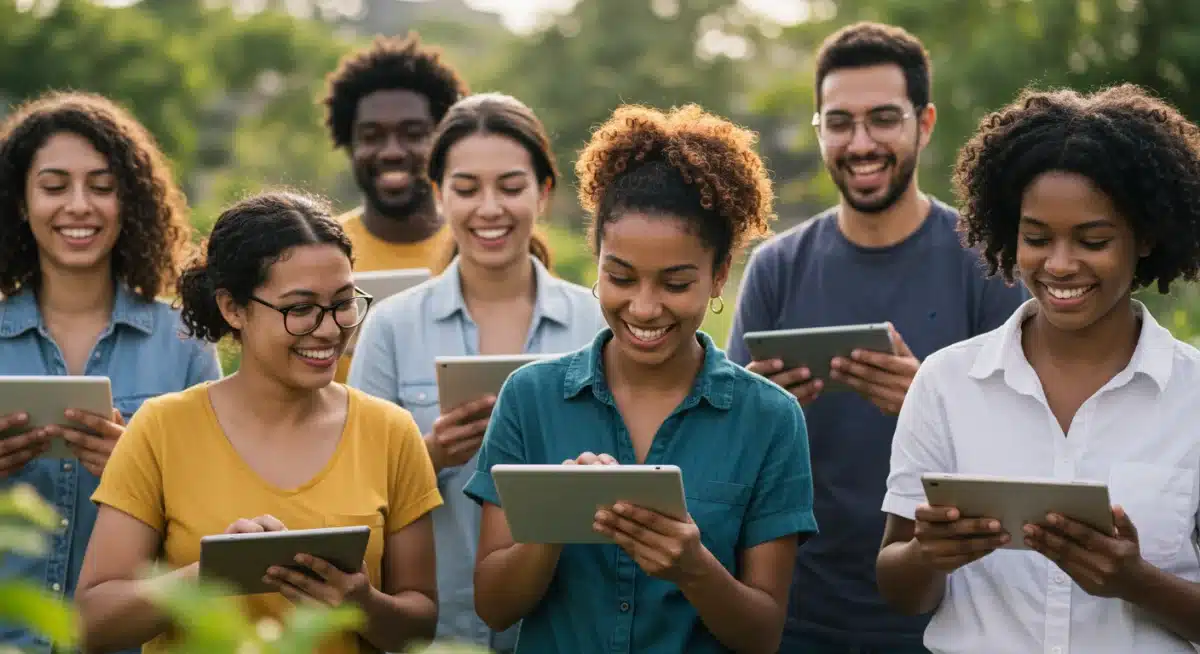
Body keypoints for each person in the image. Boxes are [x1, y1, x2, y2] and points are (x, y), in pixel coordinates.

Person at [463, 103, 818, 653]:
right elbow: (494, 605)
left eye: (676, 283)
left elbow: (763, 634)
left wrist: (695, 568)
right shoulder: (529, 398)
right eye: (621, 277)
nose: (645, 308)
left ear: (720, 275)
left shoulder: (769, 418)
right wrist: (554, 521)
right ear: (597, 260)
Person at [725, 21, 1030, 653]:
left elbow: (1034, 445)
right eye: (839, 122)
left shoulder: (986, 263)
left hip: (953, 616)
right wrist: (752, 408)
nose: (860, 142)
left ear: (924, 123)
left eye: (883, 119)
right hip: (797, 611)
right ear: (819, 132)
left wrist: (932, 397)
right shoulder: (776, 268)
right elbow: (725, 449)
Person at [878, 83, 1200, 653]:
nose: (1059, 264)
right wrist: (929, 556)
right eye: (1036, 238)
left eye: (1093, 239)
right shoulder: (947, 383)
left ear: (1146, 236)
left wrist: (1136, 583)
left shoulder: (1192, 394)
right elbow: (902, 589)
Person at [75, 191, 442, 654]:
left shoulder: (391, 432)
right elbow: (92, 623)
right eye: (300, 308)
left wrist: (362, 602)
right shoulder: (162, 428)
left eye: (343, 303)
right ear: (233, 309)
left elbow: (421, 622)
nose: (329, 329)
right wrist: (208, 574)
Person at [348, 92, 605, 652]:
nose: (489, 208)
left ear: (544, 192)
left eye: (511, 187)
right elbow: (351, 483)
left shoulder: (597, 321)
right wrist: (431, 453)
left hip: (566, 626)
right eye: (466, 189)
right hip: (434, 630)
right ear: (439, 196)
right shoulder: (391, 326)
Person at [0, 91, 221, 653]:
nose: (79, 205)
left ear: (130, 202)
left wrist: (143, 472)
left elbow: (215, 510)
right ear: (21, 203)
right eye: (54, 187)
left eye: (101, 186)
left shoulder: (185, 342)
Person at [322, 30, 471, 383]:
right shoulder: (316, 249)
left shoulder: (484, 245)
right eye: (372, 136)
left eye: (413, 133)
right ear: (349, 145)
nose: (392, 151)